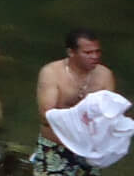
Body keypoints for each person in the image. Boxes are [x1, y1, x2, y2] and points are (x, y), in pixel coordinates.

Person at [35, 29, 118, 175]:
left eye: (97, 52)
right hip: (57, 145)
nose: (95, 56)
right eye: (88, 53)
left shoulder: (105, 75)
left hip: (89, 148)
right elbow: (46, 116)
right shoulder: (51, 73)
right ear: (71, 52)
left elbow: (109, 113)